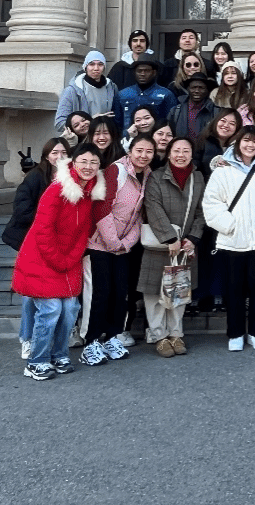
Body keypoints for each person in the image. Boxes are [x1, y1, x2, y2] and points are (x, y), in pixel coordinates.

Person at [10, 144, 114, 380]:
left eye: (94, 162)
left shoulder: (90, 192)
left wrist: (72, 257)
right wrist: (60, 259)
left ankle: (59, 355)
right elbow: (43, 230)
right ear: (73, 163)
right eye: (83, 161)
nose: (88, 167)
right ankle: (36, 361)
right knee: (51, 309)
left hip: (68, 260)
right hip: (41, 258)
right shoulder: (57, 189)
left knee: (70, 309)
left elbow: (84, 230)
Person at [81, 135, 152, 366]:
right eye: (139, 150)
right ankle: (90, 342)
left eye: (149, 151)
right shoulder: (116, 170)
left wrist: (127, 243)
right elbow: (102, 208)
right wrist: (113, 243)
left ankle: (111, 337)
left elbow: (139, 215)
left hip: (122, 247)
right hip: (99, 244)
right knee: (99, 294)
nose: (143, 155)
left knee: (120, 294)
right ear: (130, 151)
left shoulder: (147, 175)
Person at [204, 126, 255, 352]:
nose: (250, 145)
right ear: (237, 142)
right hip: (232, 241)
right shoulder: (223, 171)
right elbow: (211, 203)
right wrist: (230, 226)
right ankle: (235, 333)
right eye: (246, 140)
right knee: (233, 290)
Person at [2, 138, 68, 361]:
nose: (59, 156)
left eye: (63, 152)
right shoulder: (35, 176)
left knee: (51, 295)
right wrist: (47, 222)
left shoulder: (70, 177)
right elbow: (21, 209)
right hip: (32, 240)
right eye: (55, 152)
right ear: (46, 155)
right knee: (31, 294)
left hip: (56, 243)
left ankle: (48, 338)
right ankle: (27, 338)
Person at [55, 51, 118, 135]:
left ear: (104, 67)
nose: (96, 68)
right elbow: (59, 123)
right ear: (85, 67)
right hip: (82, 140)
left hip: (103, 138)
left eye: (100, 64)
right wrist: (89, 121)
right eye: (92, 64)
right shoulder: (72, 91)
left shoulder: (112, 88)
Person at [115, 59, 178, 133]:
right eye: (139, 71)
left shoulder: (166, 94)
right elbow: (117, 122)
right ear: (134, 73)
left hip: (154, 138)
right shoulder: (122, 94)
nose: (142, 74)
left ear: (154, 73)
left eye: (147, 71)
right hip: (128, 137)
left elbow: (171, 122)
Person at [167, 73, 216, 141]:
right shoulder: (175, 111)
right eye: (193, 87)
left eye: (201, 88)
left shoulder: (215, 112)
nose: (197, 91)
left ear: (207, 90)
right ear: (188, 89)